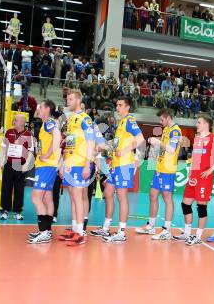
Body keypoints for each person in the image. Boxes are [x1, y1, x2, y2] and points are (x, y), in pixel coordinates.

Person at [91, 97, 144, 242]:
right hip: (116, 165)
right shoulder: (121, 123)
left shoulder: (130, 120)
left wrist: (126, 150)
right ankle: (106, 228)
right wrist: (103, 146)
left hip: (125, 165)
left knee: (121, 197)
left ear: (128, 107)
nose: (117, 108)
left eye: (120, 105)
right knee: (108, 193)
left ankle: (121, 232)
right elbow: (116, 145)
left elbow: (140, 138)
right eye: (117, 105)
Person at [173, 116, 214, 245]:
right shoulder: (197, 138)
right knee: (185, 203)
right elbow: (195, 156)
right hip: (193, 176)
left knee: (201, 206)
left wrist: (211, 170)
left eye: (199, 122)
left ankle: (198, 236)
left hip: (204, 177)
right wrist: (190, 169)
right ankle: (187, 233)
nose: (197, 124)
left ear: (206, 124)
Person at [136, 108, 182, 240]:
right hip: (159, 167)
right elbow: (164, 148)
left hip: (168, 169)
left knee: (167, 198)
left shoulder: (175, 130)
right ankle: (151, 226)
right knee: (153, 194)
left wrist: (158, 142)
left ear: (168, 117)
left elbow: (172, 150)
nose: (160, 122)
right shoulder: (166, 129)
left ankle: (166, 229)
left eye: (162, 119)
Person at [57, 90, 95, 246]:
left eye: (71, 99)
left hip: (80, 164)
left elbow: (91, 142)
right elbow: (69, 145)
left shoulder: (85, 119)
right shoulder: (72, 119)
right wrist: (63, 164)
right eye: (67, 98)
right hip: (70, 164)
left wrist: (87, 164)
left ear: (79, 100)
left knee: (78, 196)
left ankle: (80, 233)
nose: (68, 101)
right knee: (72, 195)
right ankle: (74, 229)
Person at [27, 100, 61, 244]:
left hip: (47, 165)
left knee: (36, 197)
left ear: (47, 109)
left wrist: (47, 154)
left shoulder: (49, 122)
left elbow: (58, 137)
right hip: (46, 165)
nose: (38, 109)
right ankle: (46, 231)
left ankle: (43, 231)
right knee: (47, 198)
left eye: (41, 107)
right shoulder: (45, 124)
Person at [0, 114, 34, 220]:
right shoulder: (9, 132)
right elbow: (3, 147)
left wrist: (26, 165)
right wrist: (1, 161)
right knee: (6, 188)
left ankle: (17, 211)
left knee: (19, 189)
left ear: (22, 122)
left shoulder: (28, 134)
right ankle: (5, 210)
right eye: (14, 120)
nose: (13, 121)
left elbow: (31, 151)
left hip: (20, 165)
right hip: (9, 164)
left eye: (16, 120)